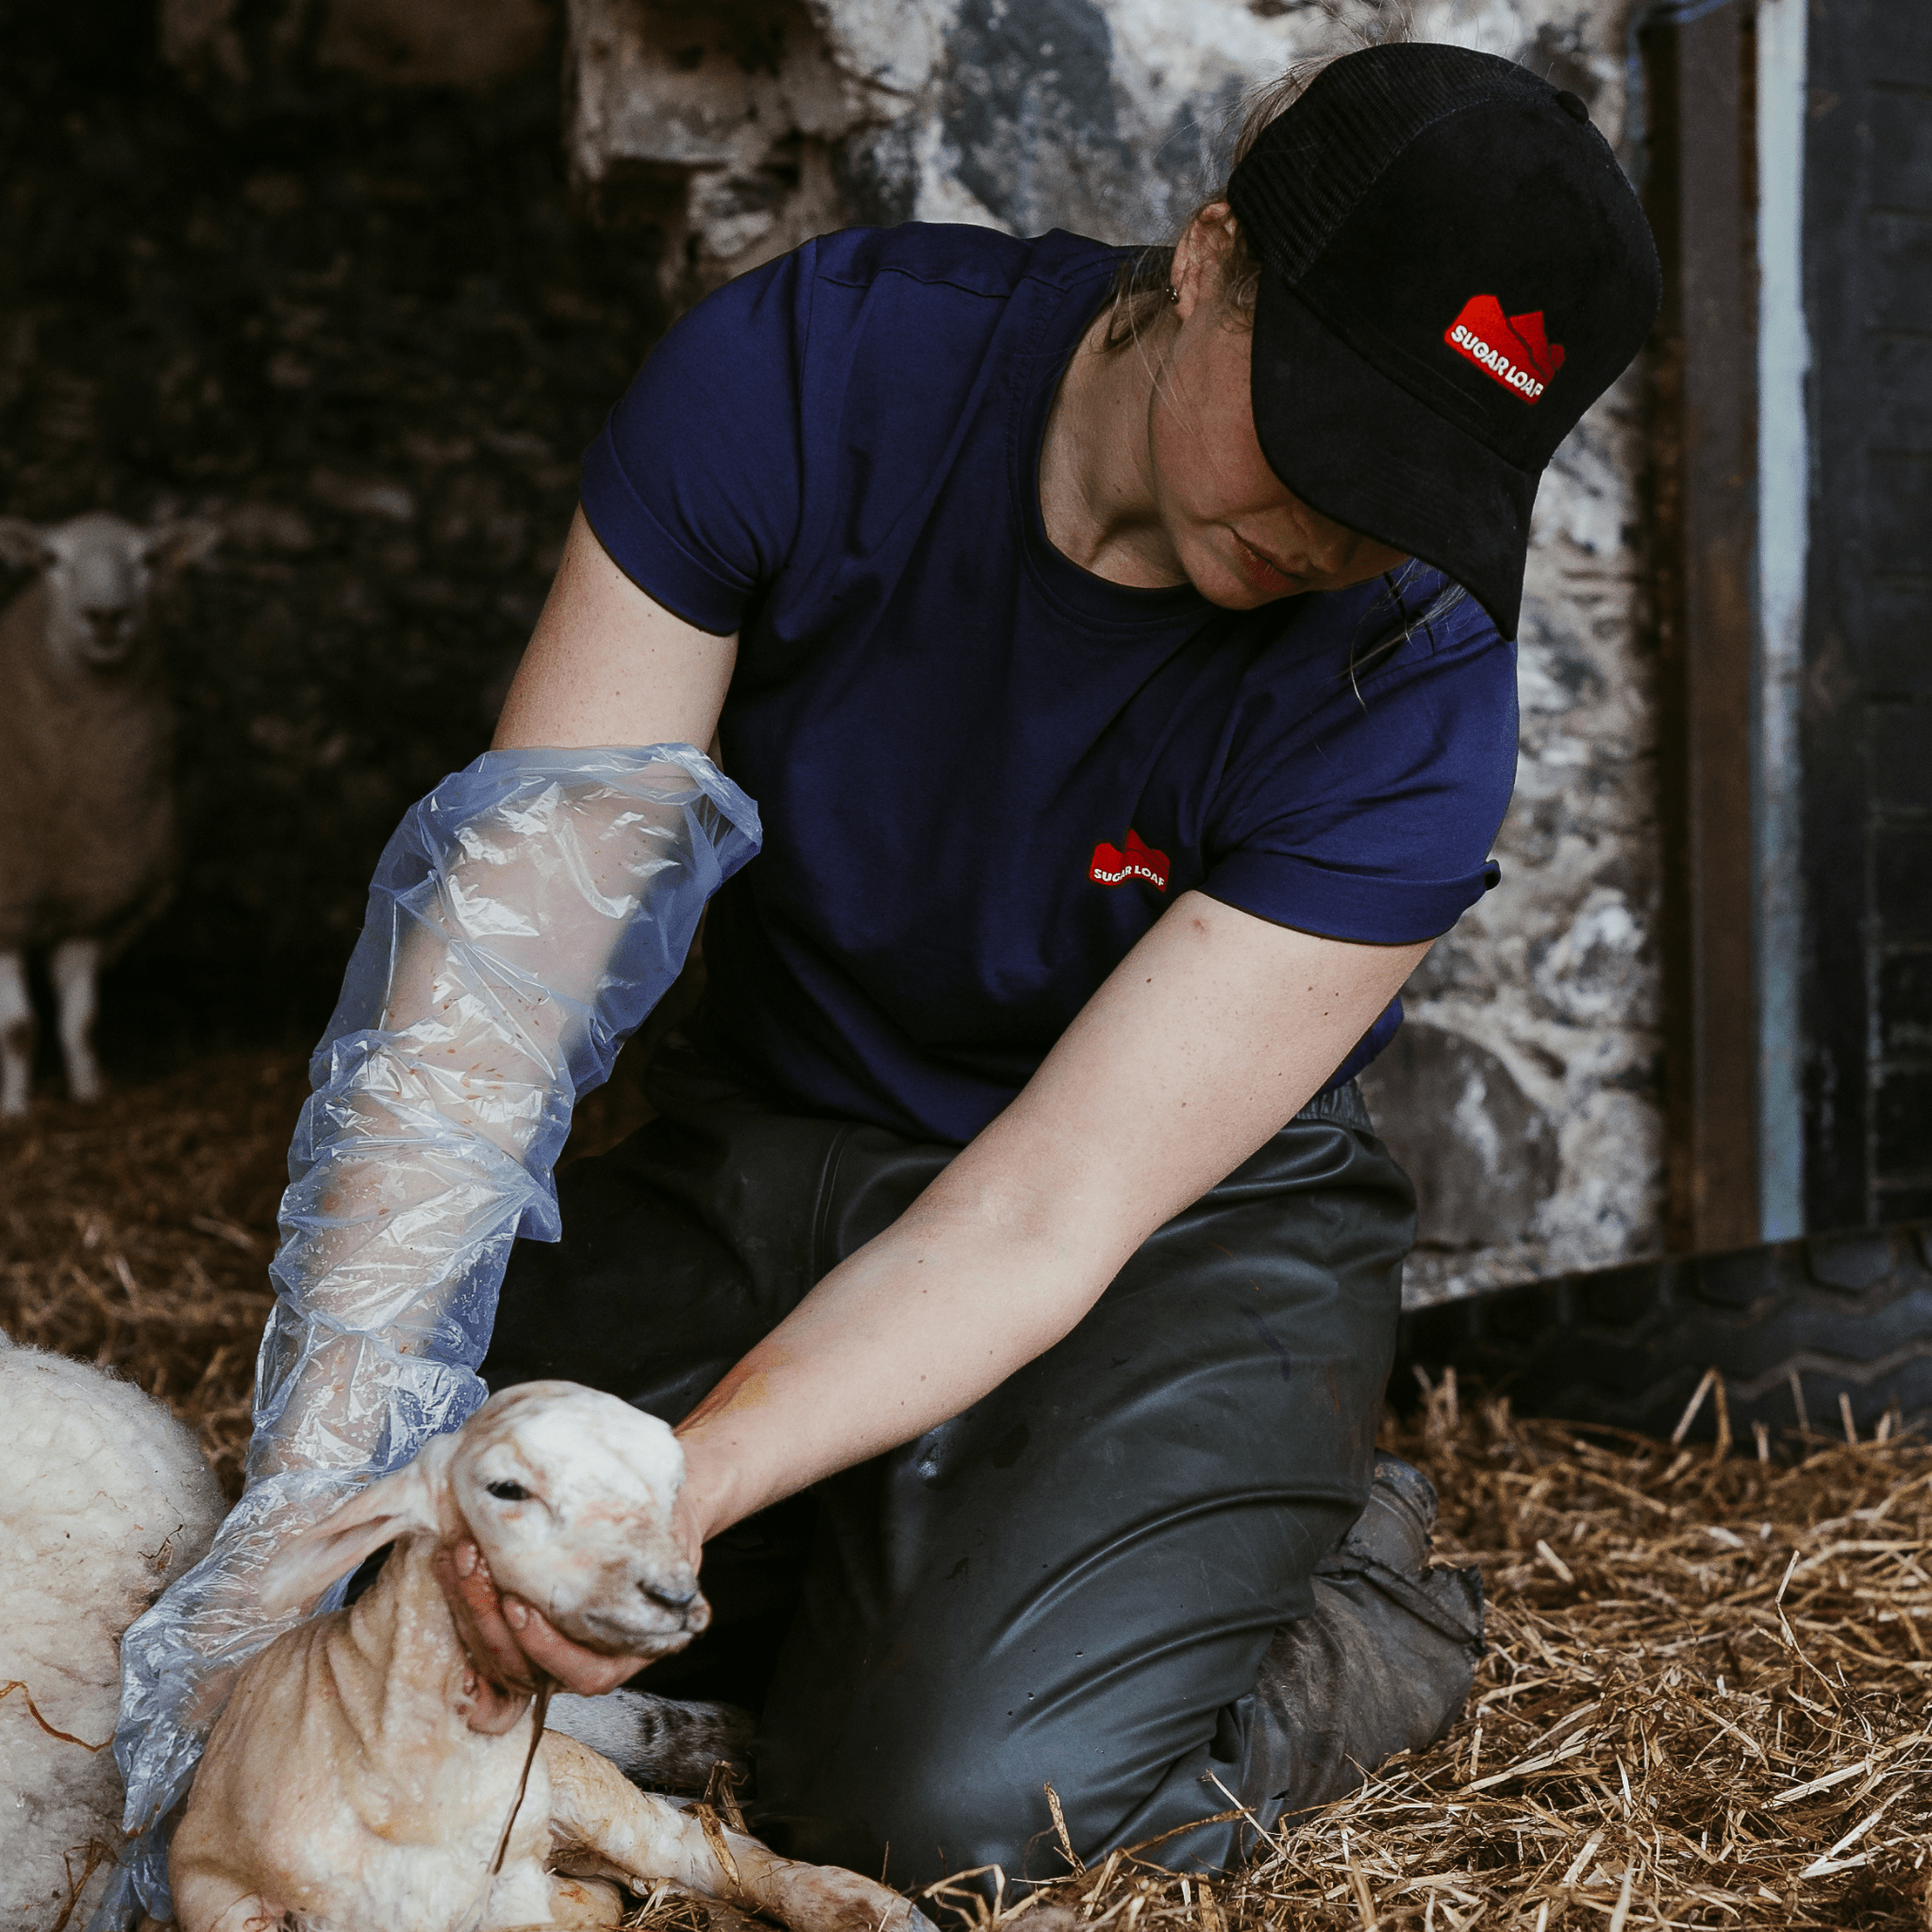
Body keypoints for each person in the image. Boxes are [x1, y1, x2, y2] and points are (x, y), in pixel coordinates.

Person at [111, 38, 1659, 1921]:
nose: (1340, 534)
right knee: (411, 1552)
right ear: (1206, 256)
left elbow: (1042, 1209)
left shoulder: (1406, 685)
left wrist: (667, 1500)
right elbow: (502, 979)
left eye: (1406, 496)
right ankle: (971, 1546)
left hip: (1162, 1234)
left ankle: (1318, 1583)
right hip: (768, 1144)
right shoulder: (810, 376)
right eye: (1327, 436)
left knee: (940, 1802)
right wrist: (330, 1447)